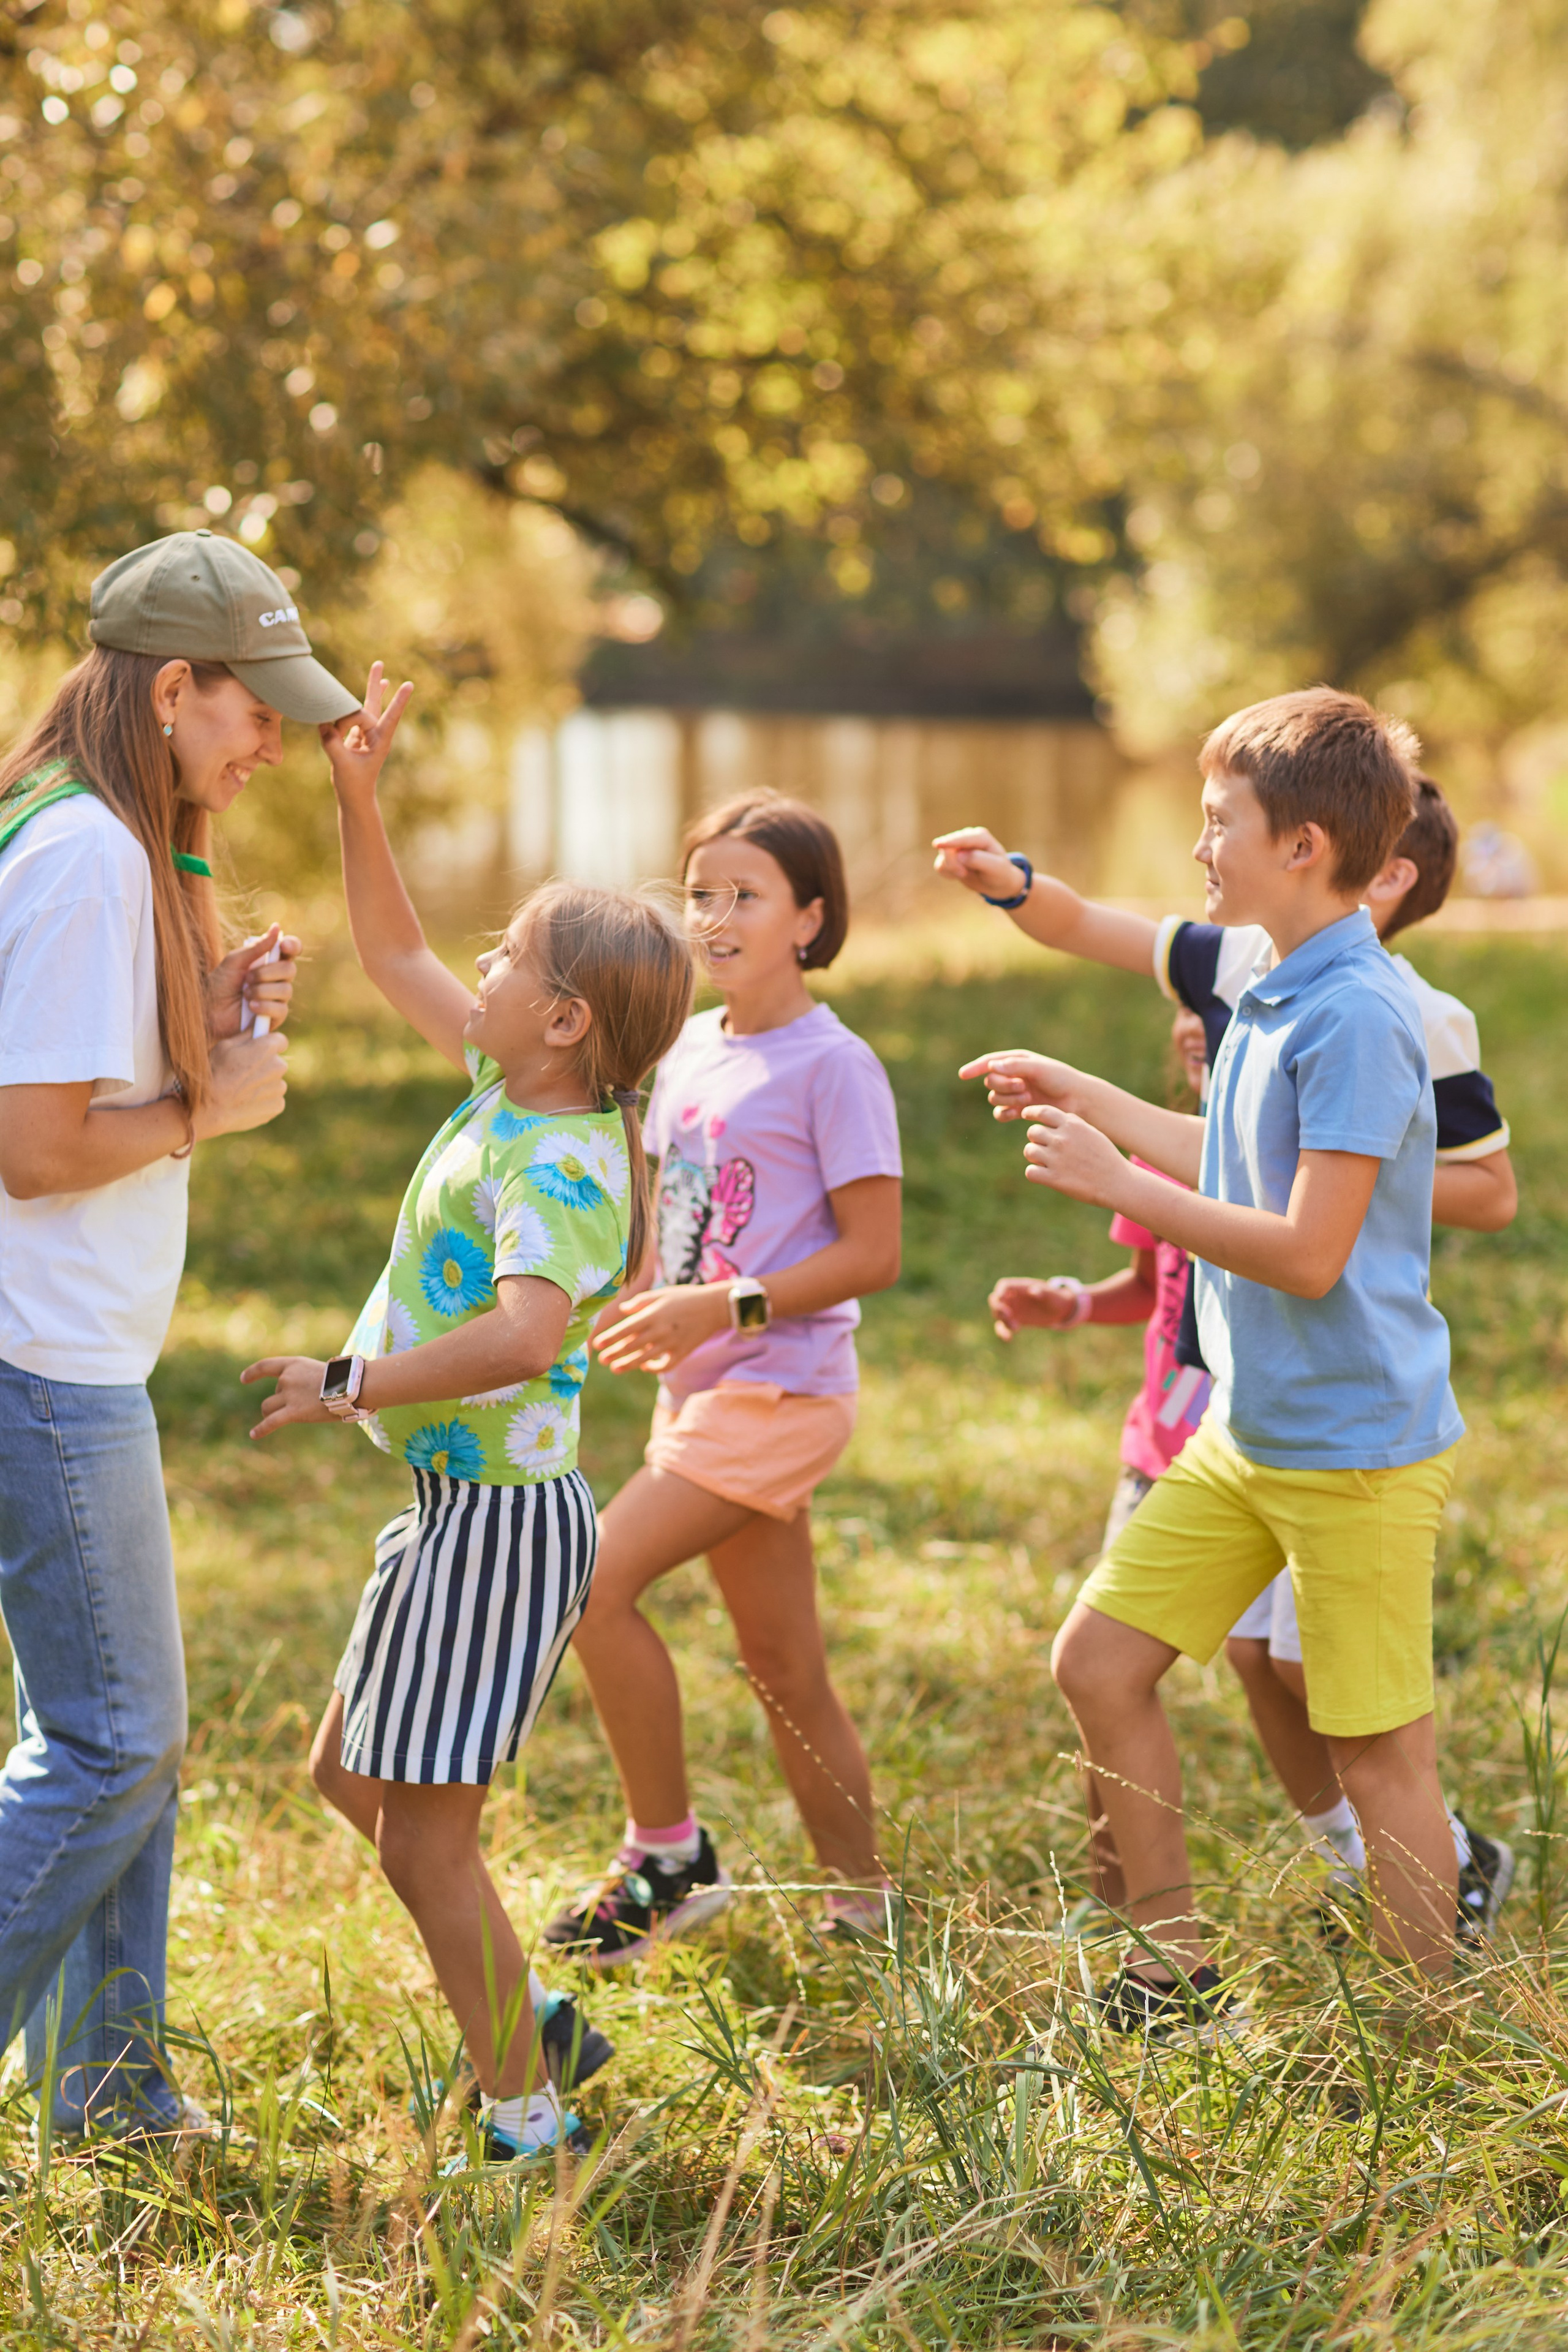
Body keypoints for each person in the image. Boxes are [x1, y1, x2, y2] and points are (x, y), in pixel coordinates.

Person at [937, 773, 1516, 1943]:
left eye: (1218, 821)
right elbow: (1233, 1152)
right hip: (1246, 1433)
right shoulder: (1270, 986)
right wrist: (1090, 1097)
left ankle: (1433, 2044)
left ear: (1304, 845)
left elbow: (1307, 1253)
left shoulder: (1359, 1011)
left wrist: (1119, 1180)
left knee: (1375, 1753)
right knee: (1099, 1664)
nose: (1198, 841)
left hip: (1353, 1448)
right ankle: (1172, 1973)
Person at [245, 688, 695, 2163]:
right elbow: (393, 952)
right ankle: (536, 2023)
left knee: (428, 1833)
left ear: (565, 1019)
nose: (480, 969)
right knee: (348, 1778)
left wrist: (349, 1378)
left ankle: (528, 2116)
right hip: (451, 1512)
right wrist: (355, 794)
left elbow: (524, 1339)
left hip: (502, 1527)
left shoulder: (563, 1163)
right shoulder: (510, 1084)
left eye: (508, 959)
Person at [0, 529, 355, 2138]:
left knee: (119, 1738)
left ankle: (113, 2092)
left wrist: (196, 1023)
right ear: (167, 692)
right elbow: (39, 1144)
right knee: (115, 1749)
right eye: (250, 707)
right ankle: (102, 2086)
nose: (273, 735)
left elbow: (76, 1082)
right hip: (43, 1362)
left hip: (67, 1354)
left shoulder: (85, 834)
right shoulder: (82, 859)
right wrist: (215, 1097)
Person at [542, 793, 902, 1967]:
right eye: (701, 893)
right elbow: (671, 1228)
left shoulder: (835, 1067)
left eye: (745, 894)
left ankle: (667, 1856)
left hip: (783, 1391)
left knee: (589, 1583)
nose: (716, 915)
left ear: (810, 916)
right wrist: (629, 1299)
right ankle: (866, 1907)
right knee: (786, 1666)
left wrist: (723, 1307)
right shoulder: (690, 1048)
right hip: (699, 1394)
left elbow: (873, 1253)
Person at [986, 1008, 1212, 1922]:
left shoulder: (1289, 1163)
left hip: (1252, 1458)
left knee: (1300, 1683)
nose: (1193, 1023)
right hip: (1156, 1456)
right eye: (1185, 1006)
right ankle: (1114, 1901)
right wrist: (1070, 1304)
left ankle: (1392, 1851)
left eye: (1218, 1004)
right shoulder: (1155, 1153)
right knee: (1104, 1676)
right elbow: (1149, 1287)